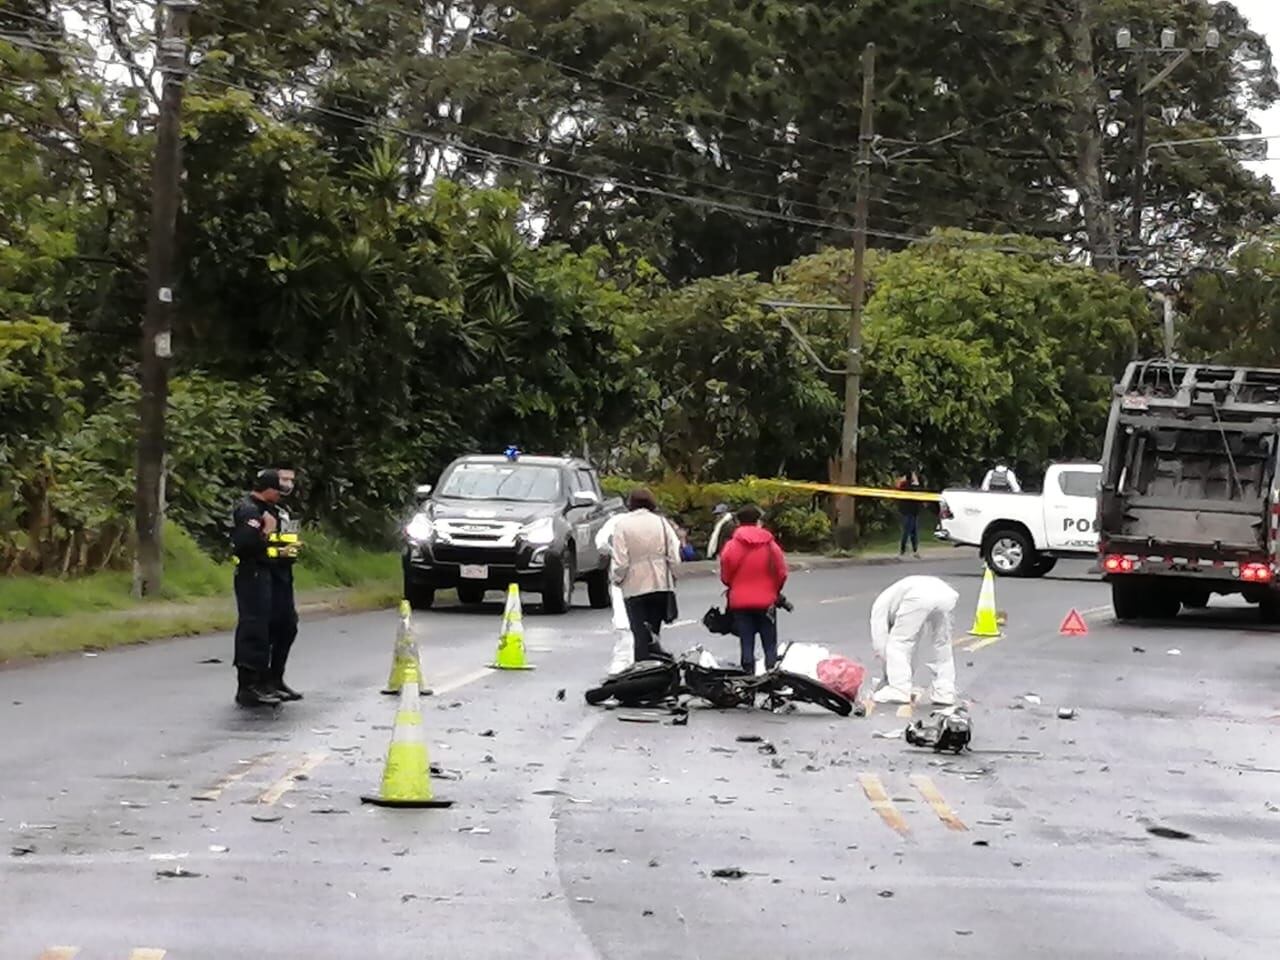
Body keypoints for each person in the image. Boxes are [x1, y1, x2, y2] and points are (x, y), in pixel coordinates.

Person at [230, 471, 286, 707]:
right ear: (268, 489)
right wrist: (266, 532)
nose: (280, 495)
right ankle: (248, 687)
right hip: (251, 573)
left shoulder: (267, 509)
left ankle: (263, 682)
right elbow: (243, 544)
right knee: (253, 626)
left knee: (265, 627)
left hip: (264, 573)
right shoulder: (249, 510)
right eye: (278, 490)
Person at [610, 488, 682, 662]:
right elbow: (674, 554)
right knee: (653, 630)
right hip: (660, 583)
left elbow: (621, 561)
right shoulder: (662, 523)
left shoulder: (622, 525)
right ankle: (655, 663)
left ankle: (642, 664)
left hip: (634, 585)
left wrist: (617, 579)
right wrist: (673, 575)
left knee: (639, 632)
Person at [868, 575, 960, 706]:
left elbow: (880, 644)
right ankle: (944, 692)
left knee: (899, 642)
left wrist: (888, 675)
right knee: (941, 644)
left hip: (919, 596)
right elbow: (914, 645)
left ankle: (898, 689)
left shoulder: (880, 606)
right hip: (947, 595)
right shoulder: (897, 598)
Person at [718, 505, 789, 675]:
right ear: (758, 521)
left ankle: (748, 672)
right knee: (769, 640)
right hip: (766, 601)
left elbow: (725, 576)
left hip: (740, 602)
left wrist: (735, 585)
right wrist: (774, 590)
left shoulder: (731, 546)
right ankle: (771, 671)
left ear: (738, 522)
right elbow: (782, 573)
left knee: (746, 639)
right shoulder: (771, 546)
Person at [263, 465, 304, 701]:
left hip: (284, 573)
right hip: (267, 573)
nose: (287, 485)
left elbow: (286, 538)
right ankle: (263, 681)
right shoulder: (261, 509)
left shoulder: (284, 510)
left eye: (291, 480)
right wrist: (278, 553)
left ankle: (276, 678)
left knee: (288, 626)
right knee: (269, 628)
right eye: (283, 479)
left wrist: (291, 550)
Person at [594, 511, 633, 675]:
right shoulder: (656, 521)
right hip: (648, 574)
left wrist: (612, 552)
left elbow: (600, 543)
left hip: (620, 572)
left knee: (621, 611)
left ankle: (622, 662)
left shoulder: (616, 520)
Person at [896, 470, 923, 558]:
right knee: (908, 531)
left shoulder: (904, 485)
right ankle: (904, 550)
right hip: (909, 511)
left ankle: (912, 550)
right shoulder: (910, 486)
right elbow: (916, 487)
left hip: (911, 511)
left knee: (912, 531)